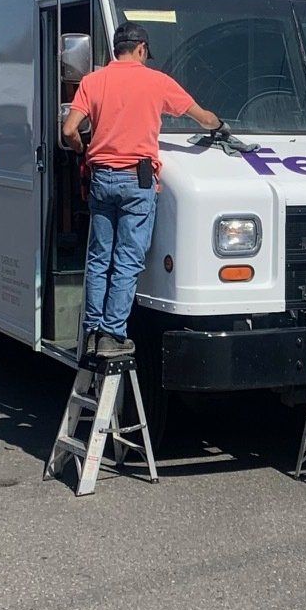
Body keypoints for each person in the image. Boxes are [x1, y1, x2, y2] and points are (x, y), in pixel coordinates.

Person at [62, 21, 222, 361]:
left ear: (115, 50)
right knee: (127, 260)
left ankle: (91, 332)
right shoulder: (157, 82)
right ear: (142, 50)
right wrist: (221, 127)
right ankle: (112, 334)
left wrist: (81, 149)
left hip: (101, 178)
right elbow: (203, 118)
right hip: (138, 181)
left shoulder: (93, 81)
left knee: (98, 258)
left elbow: (69, 129)